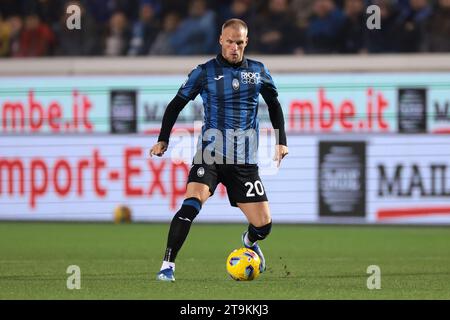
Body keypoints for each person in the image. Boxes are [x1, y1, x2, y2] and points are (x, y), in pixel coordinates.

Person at [149, 18, 288, 282]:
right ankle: (167, 265)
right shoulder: (204, 72)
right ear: (220, 40)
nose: (234, 47)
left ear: (246, 42)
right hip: (210, 155)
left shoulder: (258, 71)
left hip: (244, 161)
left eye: (239, 42)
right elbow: (176, 104)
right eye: (229, 42)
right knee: (191, 205)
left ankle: (249, 241)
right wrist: (163, 139)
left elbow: (274, 104)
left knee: (264, 225)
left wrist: (282, 140)